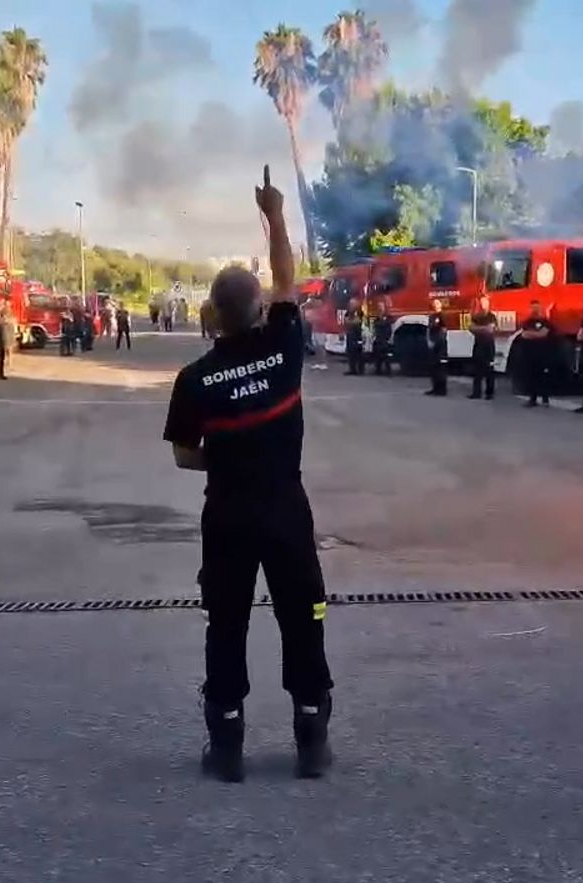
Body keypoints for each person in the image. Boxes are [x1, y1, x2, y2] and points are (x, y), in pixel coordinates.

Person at [163, 165, 334, 783]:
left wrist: (228, 457)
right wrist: (276, 213)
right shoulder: (283, 349)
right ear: (258, 310)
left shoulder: (194, 379)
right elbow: (288, 277)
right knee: (303, 618)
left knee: (226, 624)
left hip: (227, 516)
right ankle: (311, 741)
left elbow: (185, 454)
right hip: (286, 511)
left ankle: (227, 747)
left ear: (213, 313)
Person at [517, 299, 554, 408]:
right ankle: (532, 399)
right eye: (533, 307)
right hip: (530, 354)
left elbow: (543, 334)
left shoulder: (545, 322)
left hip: (542, 353)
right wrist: (536, 334)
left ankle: (545, 399)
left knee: (543, 377)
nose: (535, 309)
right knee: (531, 376)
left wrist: (532, 334)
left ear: (540, 308)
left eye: (537, 307)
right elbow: (524, 334)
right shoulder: (527, 322)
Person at [467, 297, 499, 400]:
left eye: (484, 303)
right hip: (478, 346)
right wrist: (483, 328)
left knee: (489, 370)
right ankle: (476, 393)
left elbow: (491, 330)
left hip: (489, 346)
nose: (482, 305)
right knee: (477, 371)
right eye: (481, 303)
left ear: (488, 304)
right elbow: (471, 328)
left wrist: (478, 329)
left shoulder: (491, 316)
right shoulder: (477, 317)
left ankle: (489, 393)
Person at [424, 297, 448, 397]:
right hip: (433, 344)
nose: (435, 305)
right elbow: (428, 330)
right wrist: (429, 341)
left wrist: (437, 342)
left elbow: (443, 330)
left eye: (437, 303)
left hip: (441, 345)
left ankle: (442, 390)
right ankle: (435, 388)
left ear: (440, 305)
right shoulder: (431, 317)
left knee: (441, 368)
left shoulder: (443, 316)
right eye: (434, 303)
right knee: (433, 368)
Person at [370, 299, 394, 376]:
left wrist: (388, 338)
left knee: (386, 356)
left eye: (381, 307)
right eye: (379, 307)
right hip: (378, 339)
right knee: (377, 355)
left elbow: (389, 326)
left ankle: (388, 371)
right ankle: (378, 369)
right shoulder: (377, 318)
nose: (380, 308)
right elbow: (374, 327)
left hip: (385, 339)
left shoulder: (388, 317)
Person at [343, 298, 366, 376]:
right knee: (350, 352)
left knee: (359, 352)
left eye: (353, 304)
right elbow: (346, 321)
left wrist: (351, 322)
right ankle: (352, 369)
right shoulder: (348, 312)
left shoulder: (360, 312)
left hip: (358, 334)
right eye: (350, 304)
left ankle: (360, 370)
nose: (351, 306)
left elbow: (359, 321)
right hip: (350, 335)